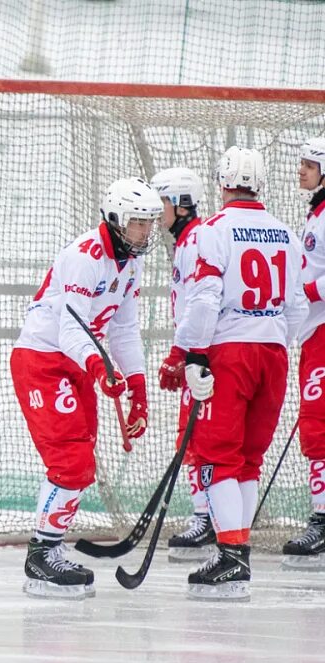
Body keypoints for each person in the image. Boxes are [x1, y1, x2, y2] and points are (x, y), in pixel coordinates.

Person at [11, 177, 161, 600]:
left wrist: (138, 389)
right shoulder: (85, 256)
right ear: (115, 219)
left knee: (82, 460)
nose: (145, 232)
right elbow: (70, 328)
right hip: (44, 360)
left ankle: (50, 546)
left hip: (77, 362)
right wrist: (100, 369)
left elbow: (124, 329)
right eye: (138, 223)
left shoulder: (131, 262)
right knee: (71, 460)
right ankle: (42, 554)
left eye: (150, 223)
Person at [175, 146, 307, 601]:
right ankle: (237, 551)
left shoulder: (212, 230)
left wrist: (195, 353)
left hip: (230, 351)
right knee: (249, 460)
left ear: (222, 183)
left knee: (216, 457)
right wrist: (277, 341)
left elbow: (204, 297)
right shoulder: (286, 233)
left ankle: (231, 557)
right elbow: (297, 305)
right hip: (273, 351)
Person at [151, 167, 216, 563]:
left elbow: (199, 303)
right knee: (190, 438)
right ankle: (205, 515)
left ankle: (207, 519)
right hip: (197, 351)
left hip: (202, 355)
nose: (156, 212)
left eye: (161, 203)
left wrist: (182, 354)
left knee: (200, 439)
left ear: (180, 203)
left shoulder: (195, 240)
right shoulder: (188, 240)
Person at [283, 138, 325, 569]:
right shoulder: (316, 213)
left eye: (310, 165)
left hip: (324, 332)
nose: (301, 170)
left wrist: (307, 290)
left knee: (317, 425)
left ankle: (323, 520)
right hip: (313, 333)